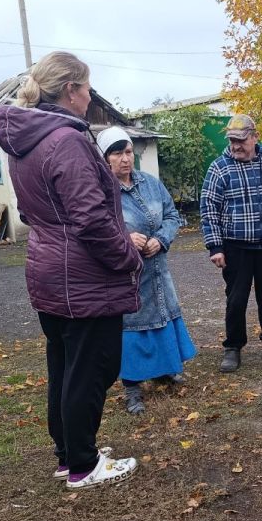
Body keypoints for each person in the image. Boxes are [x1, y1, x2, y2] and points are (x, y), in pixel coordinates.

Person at [0, 51, 141, 489]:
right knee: (93, 367)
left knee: (64, 364)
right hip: (82, 275)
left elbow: (32, 209)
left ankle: (69, 453)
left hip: (48, 268)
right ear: (71, 90)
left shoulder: (26, 140)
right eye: (87, 88)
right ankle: (83, 464)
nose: (90, 96)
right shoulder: (66, 140)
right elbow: (91, 218)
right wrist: (127, 256)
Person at [97, 126, 196, 414]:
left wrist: (161, 239)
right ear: (105, 159)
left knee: (163, 316)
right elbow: (94, 230)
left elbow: (171, 216)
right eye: (117, 153)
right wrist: (124, 240)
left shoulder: (151, 184)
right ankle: (132, 386)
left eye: (128, 152)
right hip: (125, 277)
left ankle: (165, 370)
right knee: (132, 327)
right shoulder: (101, 193)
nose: (125, 159)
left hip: (157, 269)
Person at [200, 114, 262, 373]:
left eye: (241, 140)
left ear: (255, 137)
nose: (236, 146)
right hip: (235, 247)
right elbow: (209, 209)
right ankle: (233, 347)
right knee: (236, 298)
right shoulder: (219, 168)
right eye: (232, 140)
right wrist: (215, 246)